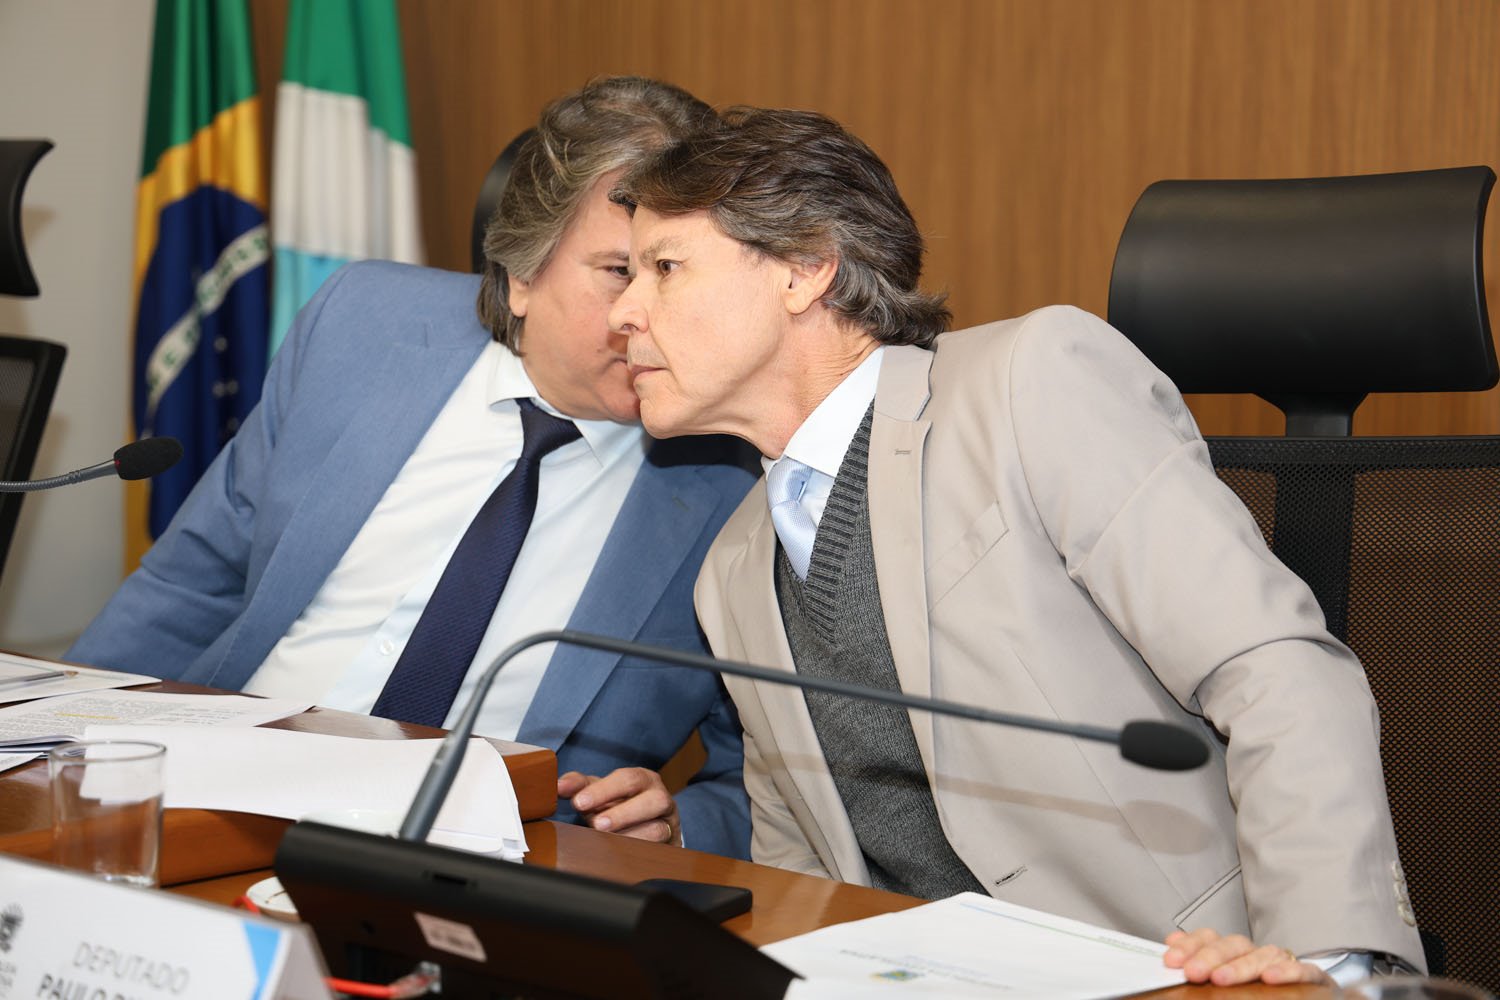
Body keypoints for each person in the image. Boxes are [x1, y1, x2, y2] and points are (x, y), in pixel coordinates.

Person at [605, 106, 1425, 984]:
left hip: (1177, 969)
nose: (622, 312)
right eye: (625, 274)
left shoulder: (1027, 383)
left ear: (806, 269)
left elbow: (1275, 669)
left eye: (664, 268)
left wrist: (1322, 963)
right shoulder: (732, 568)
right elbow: (799, 862)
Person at [67, 77, 756, 858]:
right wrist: (50, 746)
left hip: (483, 864)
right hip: (221, 799)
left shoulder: (742, 472)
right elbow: (196, 580)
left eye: (676, 274)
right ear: (523, 274)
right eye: (620, 272)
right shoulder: (364, 323)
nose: (651, 317)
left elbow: (774, 782)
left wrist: (680, 824)